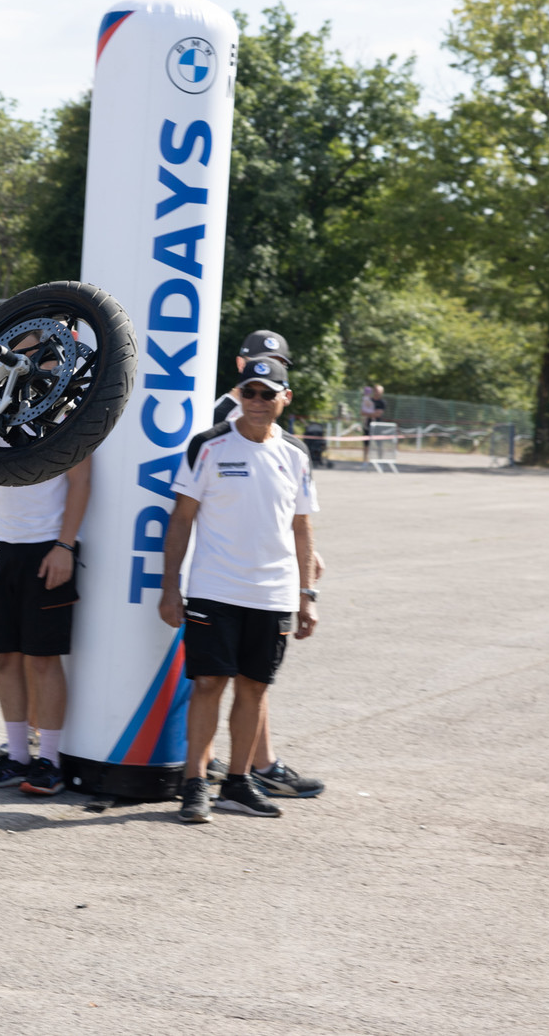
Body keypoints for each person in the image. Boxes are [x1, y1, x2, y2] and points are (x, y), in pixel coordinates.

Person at [159, 357, 320, 823]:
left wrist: (307, 595)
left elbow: (302, 527)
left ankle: (238, 784)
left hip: (273, 594)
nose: (256, 401)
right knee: (209, 684)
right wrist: (170, 587)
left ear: (285, 398)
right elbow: (181, 520)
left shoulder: (296, 453)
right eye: (249, 392)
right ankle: (194, 784)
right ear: (239, 394)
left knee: (254, 688)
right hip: (214, 589)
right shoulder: (208, 445)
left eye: (267, 394)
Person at [201, 329, 324, 798]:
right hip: (219, 565)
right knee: (219, 676)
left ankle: (252, 761)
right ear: (239, 365)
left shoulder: (271, 419)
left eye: (279, 367)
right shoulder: (221, 414)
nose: (260, 394)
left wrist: (304, 554)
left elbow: (286, 502)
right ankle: (244, 763)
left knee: (253, 676)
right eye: (254, 366)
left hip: (259, 566)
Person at [0, 456, 91, 797]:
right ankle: (18, 757)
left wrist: (65, 545)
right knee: (4, 657)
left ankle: (49, 761)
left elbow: (81, 482)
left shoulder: (67, 426)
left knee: (43, 659)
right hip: (1, 545)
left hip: (48, 545)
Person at [213, 330, 292, 424]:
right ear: (240, 364)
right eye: (261, 363)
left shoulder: (274, 407)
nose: (271, 368)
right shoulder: (216, 416)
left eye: (278, 363)